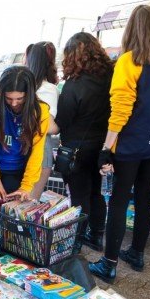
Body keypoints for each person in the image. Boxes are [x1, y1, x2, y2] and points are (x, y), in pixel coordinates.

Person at [89, 5, 150, 283]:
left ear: (133, 28)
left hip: (132, 143)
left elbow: (120, 109)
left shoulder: (130, 60)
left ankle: (108, 264)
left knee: (119, 199)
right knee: (145, 197)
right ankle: (137, 254)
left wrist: (107, 147)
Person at [52, 32, 114, 251]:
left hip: (75, 150)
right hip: (101, 147)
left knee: (79, 196)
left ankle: (75, 242)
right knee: (96, 192)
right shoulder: (111, 78)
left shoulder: (73, 85)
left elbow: (62, 122)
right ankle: (97, 235)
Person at [0, 65, 50, 205]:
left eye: (20, 98)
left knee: (13, 217)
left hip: (19, 170)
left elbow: (37, 151)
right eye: (8, 98)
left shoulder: (40, 111)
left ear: (29, 94)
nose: (14, 103)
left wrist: (26, 186)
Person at [25, 41, 60, 200]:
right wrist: (61, 128)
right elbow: (50, 126)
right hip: (40, 149)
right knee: (30, 204)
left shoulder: (22, 85)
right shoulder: (49, 89)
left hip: (18, 148)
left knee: (16, 203)